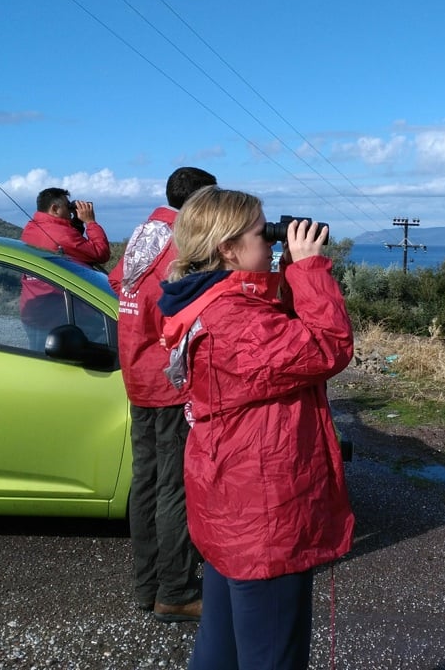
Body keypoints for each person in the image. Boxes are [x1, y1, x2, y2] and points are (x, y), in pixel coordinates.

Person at [158, 186, 354, 669]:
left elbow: (282, 338)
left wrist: (287, 269)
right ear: (227, 248)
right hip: (265, 511)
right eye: (261, 232)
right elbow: (327, 346)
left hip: (234, 501)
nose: (270, 240)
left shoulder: (215, 301)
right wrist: (309, 269)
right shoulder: (233, 319)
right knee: (270, 654)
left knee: (221, 645)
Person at [110, 166, 216, 624]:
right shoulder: (179, 243)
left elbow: (118, 283)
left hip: (137, 375)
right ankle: (175, 591)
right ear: (199, 203)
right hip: (169, 382)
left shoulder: (143, 234)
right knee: (174, 489)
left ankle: (146, 585)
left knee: (147, 483)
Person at [20, 187, 110, 350]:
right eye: (67, 206)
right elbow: (100, 253)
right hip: (58, 312)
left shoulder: (31, 228)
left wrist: (75, 223)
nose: (70, 210)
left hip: (33, 309)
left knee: (39, 358)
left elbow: (70, 248)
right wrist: (90, 222)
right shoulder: (62, 234)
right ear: (54, 209)